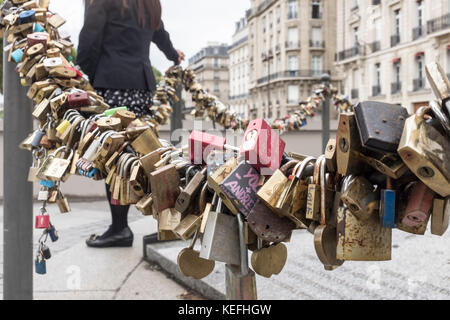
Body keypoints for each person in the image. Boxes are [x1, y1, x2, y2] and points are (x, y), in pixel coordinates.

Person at [77, 0, 184, 248]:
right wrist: (173, 55)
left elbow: (89, 40)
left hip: (112, 84)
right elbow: (160, 33)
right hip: (142, 85)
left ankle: (119, 228)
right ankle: (167, 223)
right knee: (147, 155)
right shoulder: (148, 2)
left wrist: (84, 80)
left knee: (114, 157)